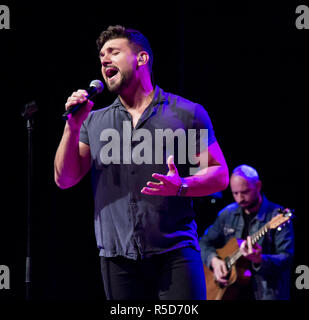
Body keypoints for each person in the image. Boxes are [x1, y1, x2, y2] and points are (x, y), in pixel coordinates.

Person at [54, 25, 229, 300]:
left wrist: (182, 185)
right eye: (101, 55)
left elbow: (219, 174)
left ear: (142, 58)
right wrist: (72, 127)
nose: (104, 60)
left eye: (114, 51)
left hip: (175, 255)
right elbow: (64, 179)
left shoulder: (185, 113)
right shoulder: (94, 121)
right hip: (117, 260)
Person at [199, 164, 295, 300]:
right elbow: (203, 242)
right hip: (231, 294)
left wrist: (259, 260)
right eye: (235, 193)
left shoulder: (276, 216)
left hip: (266, 294)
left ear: (258, 186)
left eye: (245, 192)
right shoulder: (227, 213)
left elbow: (287, 258)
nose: (240, 198)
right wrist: (214, 261)